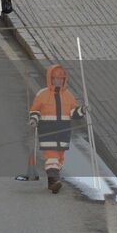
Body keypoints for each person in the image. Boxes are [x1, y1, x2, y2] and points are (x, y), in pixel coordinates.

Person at [29, 64, 85, 194]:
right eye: (56, 78)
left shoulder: (69, 95)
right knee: (52, 157)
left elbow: (73, 114)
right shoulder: (42, 94)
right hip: (48, 132)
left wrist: (83, 110)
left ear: (64, 79)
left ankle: (52, 181)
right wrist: (34, 119)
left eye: (61, 78)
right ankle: (54, 181)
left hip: (63, 133)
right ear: (50, 78)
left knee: (59, 159)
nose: (59, 80)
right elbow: (35, 110)